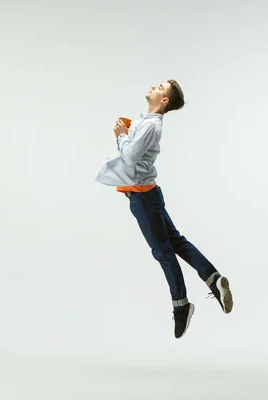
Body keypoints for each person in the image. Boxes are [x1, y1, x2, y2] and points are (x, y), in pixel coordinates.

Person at [95, 80, 233, 338]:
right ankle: (213, 279)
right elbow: (135, 147)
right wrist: (128, 128)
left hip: (143, 198)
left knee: (163, 252)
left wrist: (121, 136)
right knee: (176, 242)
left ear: (165, 100)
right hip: (148, 195)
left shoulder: (151, 124)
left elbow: (130, 158)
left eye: (160, 87)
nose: (153, 87)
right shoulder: (146, 122)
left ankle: (181, 305)